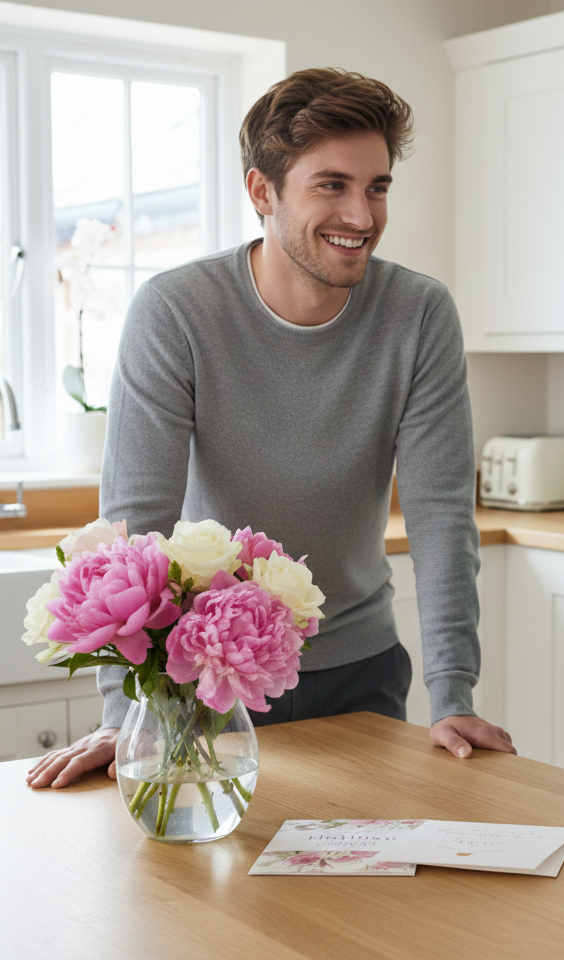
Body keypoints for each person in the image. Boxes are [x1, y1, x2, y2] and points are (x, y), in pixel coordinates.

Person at [27, 67, 514, 789]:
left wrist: (454, 697)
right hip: (203, 679)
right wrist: (122, 714)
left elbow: (442, 516)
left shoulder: (418, 314)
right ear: (262, 191)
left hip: (361, 674)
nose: (362, 214)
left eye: (377, 187)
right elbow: (134, 533)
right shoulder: (177, 313)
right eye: (332, 185)